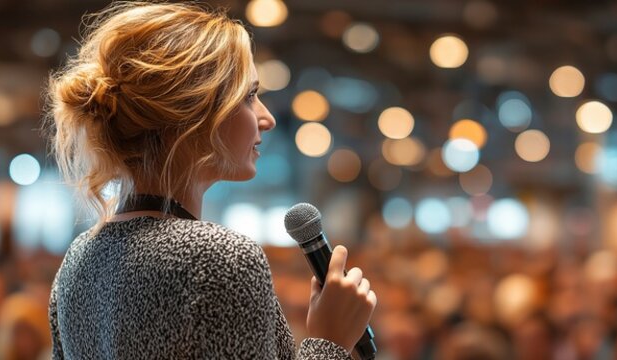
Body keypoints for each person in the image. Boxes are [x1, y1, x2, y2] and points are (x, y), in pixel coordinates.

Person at [45, 2, 377, 359]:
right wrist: (330, 341)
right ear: (197, 112)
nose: (266, 118)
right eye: (250, 96)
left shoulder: (77, 261)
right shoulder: (218, 259)